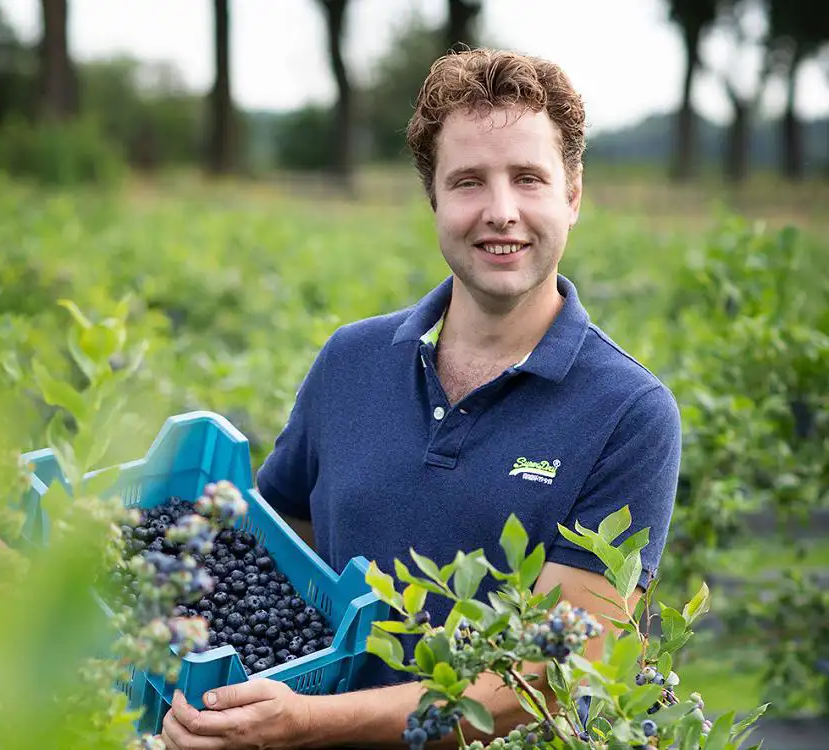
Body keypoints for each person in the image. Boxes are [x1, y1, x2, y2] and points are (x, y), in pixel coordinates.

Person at [160, 47, 681, 749]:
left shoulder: (628, 414)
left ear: (573, 195)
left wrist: (310, 723)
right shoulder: (351, 361)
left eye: (529, 178)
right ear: (434, 198)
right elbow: (266, 553)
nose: (501, 212)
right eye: (468, 182)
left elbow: (552, 678)